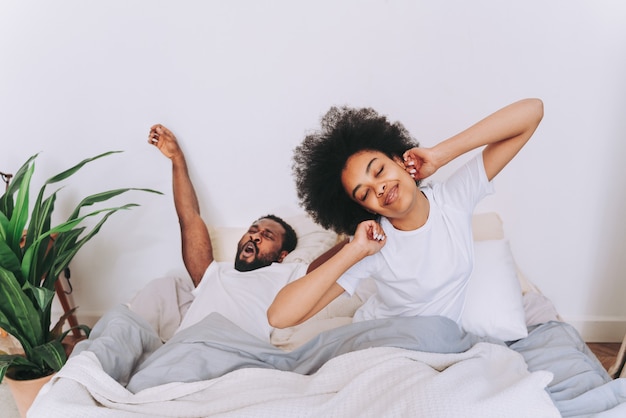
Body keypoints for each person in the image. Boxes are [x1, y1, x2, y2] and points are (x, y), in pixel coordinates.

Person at [267, 98, 544, 330]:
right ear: (365, 208)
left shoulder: (453, 200)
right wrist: (355, 250)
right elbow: (279, 317)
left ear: (400, 159)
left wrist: (438, 155)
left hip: (442, 345)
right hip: (387, 345)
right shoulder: (374, 245)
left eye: (379, 171)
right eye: (364, 194)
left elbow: (532, 111)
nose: (380, 187)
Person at [146, 124, 339, 342]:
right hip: (185, 348)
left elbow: (337, 260)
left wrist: (362, 226)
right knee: (121, 321)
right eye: (253, 231)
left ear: (282, 255)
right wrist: (177, 159)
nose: (255, 237)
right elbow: (188, 217)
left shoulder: (289, 274)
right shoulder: (213, 273)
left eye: (267, 236)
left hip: (238, 351)